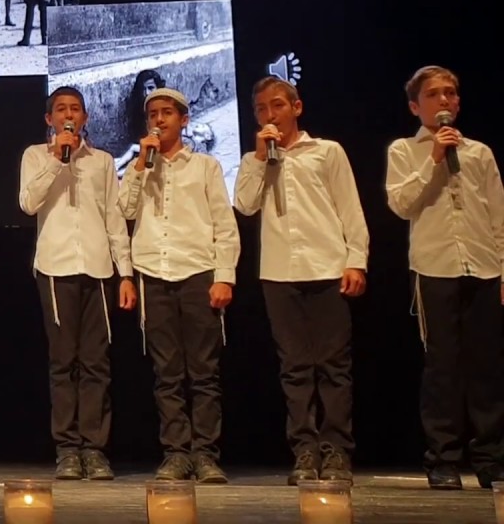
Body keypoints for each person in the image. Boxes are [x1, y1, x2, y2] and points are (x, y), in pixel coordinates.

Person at [233, 77, 368, 485]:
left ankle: (336, 450)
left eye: (277, 105)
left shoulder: (326, 151)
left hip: (327, 268)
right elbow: (244, 205)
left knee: (333, 366)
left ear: (296, 107)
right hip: (279, 274)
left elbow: (350, 209)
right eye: (261, 108)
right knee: (294, 368)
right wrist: (260, 159)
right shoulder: (254, 159)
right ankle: (305, 450)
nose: (269, 114)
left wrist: (356, 261)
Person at [385, 65, 504, 490]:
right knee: (443, 367)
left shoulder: (479, 152)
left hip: (483, 266)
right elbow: (401, 204)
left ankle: (491, 458)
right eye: (434, 94)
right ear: (415, 106)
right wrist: (433, 159)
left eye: (450, 93)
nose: (444, 100)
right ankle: (443, 459)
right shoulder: (404, 150)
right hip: (434, 268)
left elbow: (497, 213)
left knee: (487, 366)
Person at [117, 88, 238, 484]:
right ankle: (176, 454)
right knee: (166, 374)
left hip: (198, 272)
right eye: (153, 113)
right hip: (154, 273)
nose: (159, 120)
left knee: (203, 373)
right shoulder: (141, 166)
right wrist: (140, 166)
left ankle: (205, 455)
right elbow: (125, 209)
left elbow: (224, 225)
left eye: (167, 113)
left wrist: (224, 276)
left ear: (184, 120)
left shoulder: (205, 166)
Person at [19, 86, 136, 480]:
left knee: (96, 363)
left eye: (75, 109)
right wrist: (57, 159)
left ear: (85, 118)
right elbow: (28, 203)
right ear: (49, 119)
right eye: (61, 109)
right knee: (63, 362)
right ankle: (67, 449)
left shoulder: (102, 161)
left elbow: (114, 219)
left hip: (98, 270)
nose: (68, 115)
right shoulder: (36, 156)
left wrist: (125, 273)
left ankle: (94, 449)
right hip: (56, 267)